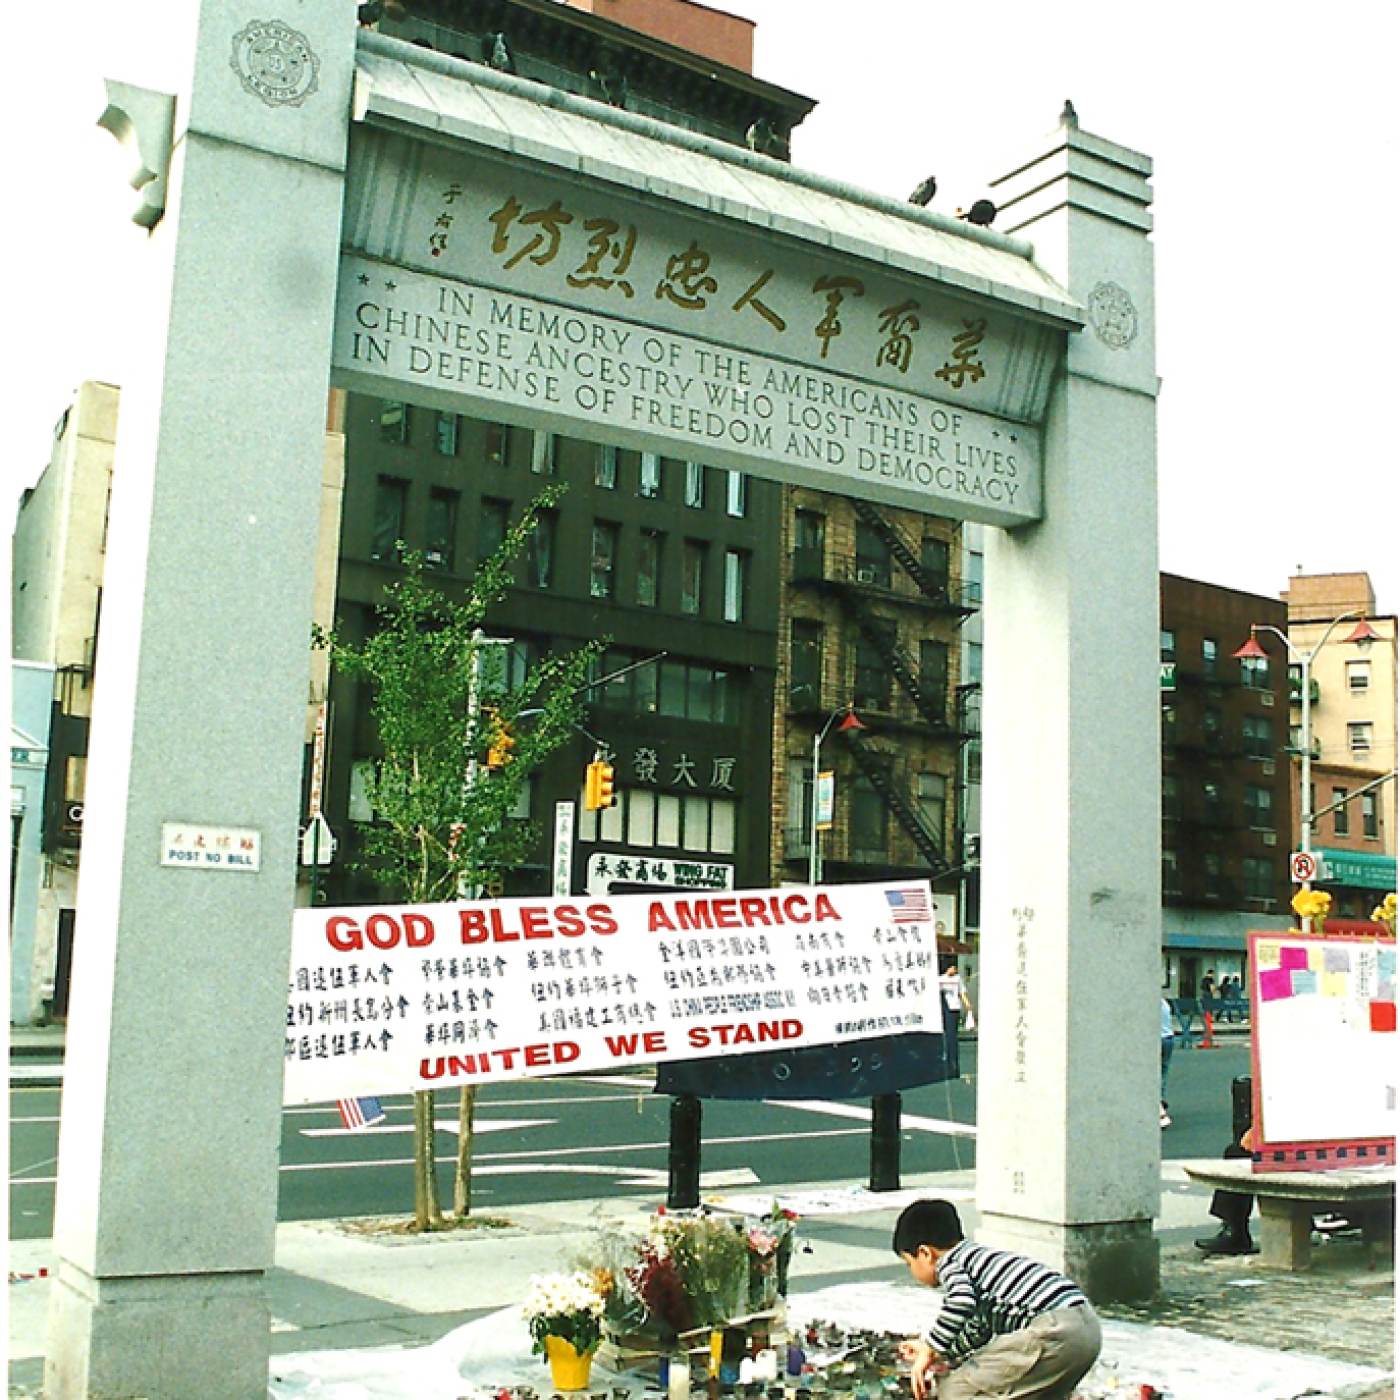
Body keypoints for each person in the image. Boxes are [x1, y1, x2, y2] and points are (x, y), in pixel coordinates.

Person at [893, 1198, 1101, 1400]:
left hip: (1055, 1330)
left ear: (925, 1253)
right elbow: (978, 1330)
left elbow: (961, 1301)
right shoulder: (978, 1262)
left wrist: (930, 1349)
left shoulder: (950, 1263)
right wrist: (941, 1353)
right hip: (1087, 1328)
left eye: (909, 1263)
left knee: (956, 1391)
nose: (911, 1271)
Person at [939, 961, 975, 1078]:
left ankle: (953, 1062)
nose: (954, 969)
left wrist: (968, 1005)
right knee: (946, 1035)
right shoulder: (940, 979)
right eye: (952, 966)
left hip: (955, 1008)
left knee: (952, 1035)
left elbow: (962, 993)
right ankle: (946, 1060)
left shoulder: (958, 979)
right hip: (944, 1009)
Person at [1159, 996, 1176, 1127]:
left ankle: (1159, 1108)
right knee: (1163, 1071)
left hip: (1159, 1038)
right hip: (1168, 1037)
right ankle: (1160, 1098)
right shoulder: (1164, 1003)